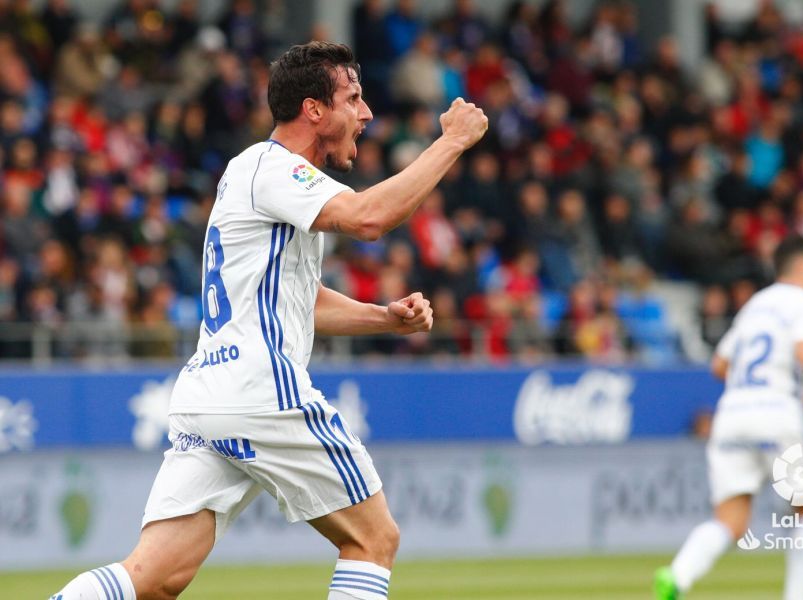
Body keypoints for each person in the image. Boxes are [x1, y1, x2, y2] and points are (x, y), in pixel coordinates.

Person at [50, 41, 488, 600]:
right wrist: (451, 142)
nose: (367, 113)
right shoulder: (272, 169)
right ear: (314, 109)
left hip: (212, 395)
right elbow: (370, 218)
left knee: (154, 578)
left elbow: (301, 303)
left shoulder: (258, 176)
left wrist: (383, 318)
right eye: (353, 98)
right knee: (373, 538)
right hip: (261, 389)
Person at [654, 235, 803, 600]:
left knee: (730, 521)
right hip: (777, 415)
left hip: (732, 417)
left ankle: (677, 576)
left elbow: (719, 364)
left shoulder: (756, 305)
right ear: (802, 267)